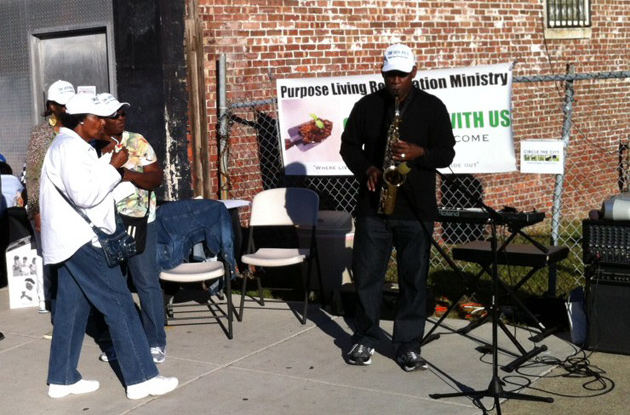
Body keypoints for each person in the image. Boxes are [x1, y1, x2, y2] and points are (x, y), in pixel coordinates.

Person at [39, 93, 178, 399]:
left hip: (69, 241)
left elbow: (87, 189)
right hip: (82, 242)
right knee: (120, 306)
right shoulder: (69, 148)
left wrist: (110, 167)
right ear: (81, 121)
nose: (103, 123)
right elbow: (85, 195)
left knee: (70, 311)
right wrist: (113, 166)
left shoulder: (71, 146)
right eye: (97, 118)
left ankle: (62, 379)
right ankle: (142, 378)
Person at [339, 44, 456, 372]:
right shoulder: (367, 106)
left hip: (416, 208)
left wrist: (421, 153)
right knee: (367, 276)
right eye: (390, 73)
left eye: (402, 74)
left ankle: (407, 345)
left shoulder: (432, 107)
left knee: (414, 279)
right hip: (372, 208)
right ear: (382, 72)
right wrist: (368, 169)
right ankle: (365, 336)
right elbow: (348, 147)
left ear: (414, 73)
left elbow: (446, 154)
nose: (395, 79)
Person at [95, 92, 167, 364]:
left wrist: (126, 174)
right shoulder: (89, 148)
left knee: (145, 282)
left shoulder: (136, 142)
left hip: (139, 220)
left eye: (123, 113)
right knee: (111, 286)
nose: (121, 118)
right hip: (103, 224)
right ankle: (117, 341)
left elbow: (156, 178)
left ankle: (155, 341)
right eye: (115, 115)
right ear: (100, 120)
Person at [26, 80, 75, 315]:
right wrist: (36, 210)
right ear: (52, 106)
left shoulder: (80, 126)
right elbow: (34, 175)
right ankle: (58, 313)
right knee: (54, 262)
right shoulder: (42, 132)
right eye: (62, 105)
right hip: (49, 206)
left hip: (75, 205)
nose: (66, 108)